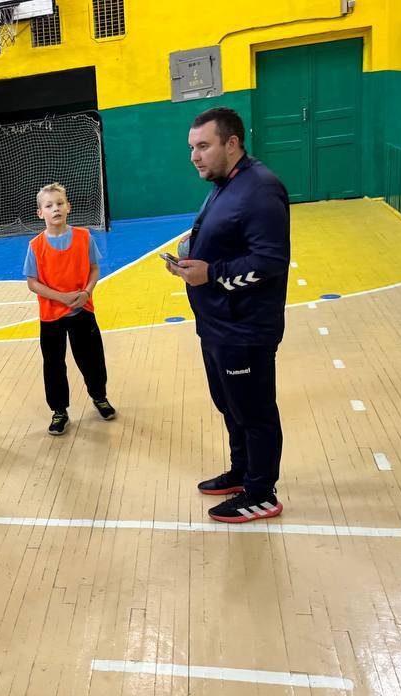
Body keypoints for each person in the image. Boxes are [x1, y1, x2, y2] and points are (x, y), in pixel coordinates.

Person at [167, 106, 290, 523]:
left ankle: (261, 493)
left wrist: (212, 273)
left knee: (255, 412)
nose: (194, 156)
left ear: (232, 143)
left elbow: (270, 261)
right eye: (191, 148)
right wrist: (192, 258)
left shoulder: (260, 189)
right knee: (230, 405)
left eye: (203, 146)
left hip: (245, 329)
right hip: (218, 325)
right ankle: (242, 472)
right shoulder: (226, 184)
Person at [24, 183, 117, 436]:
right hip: (51, 315)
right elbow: (32, 282)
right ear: (40, 213)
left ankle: (99, 396)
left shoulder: (84, 237)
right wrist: (61, 297)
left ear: (68, 207)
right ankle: (59, 411)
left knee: (92, 359)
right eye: (49, 205)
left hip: (82, 309)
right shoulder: (35, 245)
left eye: (59, 203)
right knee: (54, 364)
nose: (55, 208)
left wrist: (86, 292)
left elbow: (94, 268)